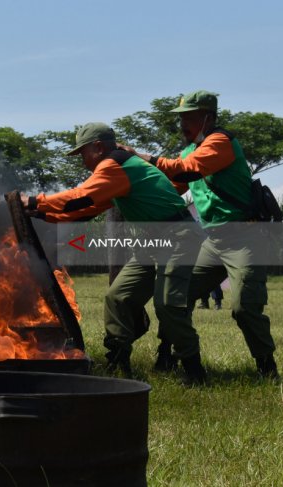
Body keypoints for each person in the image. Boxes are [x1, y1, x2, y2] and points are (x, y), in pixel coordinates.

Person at [22, 122, 206, 383]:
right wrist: (41, 213)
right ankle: (119, 364)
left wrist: (32, 201)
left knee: (167, 305)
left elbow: (80, 196)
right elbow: (86, 209)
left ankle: (194, 371)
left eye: (82, 153)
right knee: (118, 297)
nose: (82, 161)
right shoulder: (119, 169)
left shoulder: (115, 165)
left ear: (98, 147)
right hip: (155, 239)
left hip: (179, 236)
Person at [120, 90, 278, 379]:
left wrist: (137, 154)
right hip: (212, 241)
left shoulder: (221, 142)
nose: (183, 124)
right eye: (181, 118)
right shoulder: (186, 152)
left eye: (189, 118)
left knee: (244, 308)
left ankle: (267, 368)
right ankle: (168, 355)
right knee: (174, 299)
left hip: (244, 238)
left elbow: (187, 171)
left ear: (208, 117)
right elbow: (171, 187)